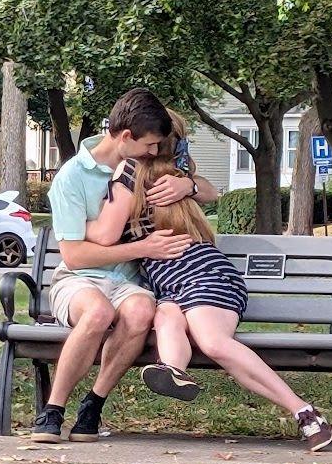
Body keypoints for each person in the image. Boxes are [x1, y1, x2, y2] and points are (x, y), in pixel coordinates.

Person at [85, 110, 332, 452]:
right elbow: (207, 190)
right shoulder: (168, 171)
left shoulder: (139, 173)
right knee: (166, 318)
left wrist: (74, 225)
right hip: (169, 285)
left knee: (214, 343)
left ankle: (305, 412)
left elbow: (106, 234)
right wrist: (187, 183)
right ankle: (173, 370)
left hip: (203, 273)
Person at [32, 88, 218, 443]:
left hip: (129, 282)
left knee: (140, 311)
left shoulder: (145, 167)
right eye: (150, 145)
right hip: (79, 279)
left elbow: (210, 191)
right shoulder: (74, 176)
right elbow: (75, 256)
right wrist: (143, 248)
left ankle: (93, 405)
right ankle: (53, 409)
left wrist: (187, 185)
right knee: (98, 313)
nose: (155, 151)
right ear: (127, 137)